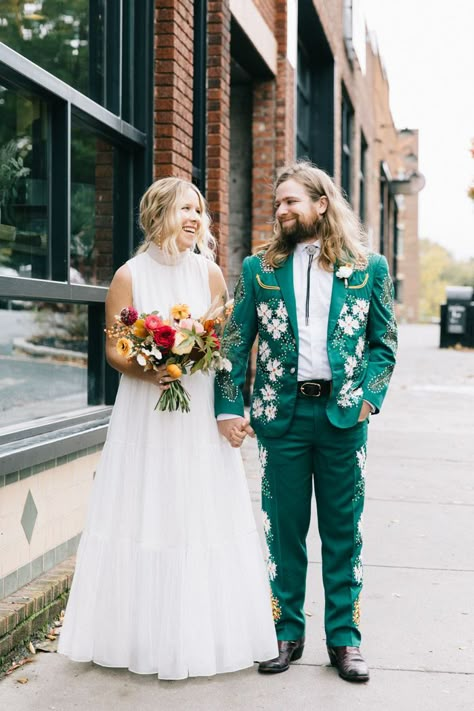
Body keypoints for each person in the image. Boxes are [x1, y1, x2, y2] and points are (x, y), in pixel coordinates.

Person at [58, 177, 278, 680]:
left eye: (199, 209)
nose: (196, 217)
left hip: (197, 410)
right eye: (185, 207)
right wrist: (149, 365)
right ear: (159, 213)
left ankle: (203, 636)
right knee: (146, 509)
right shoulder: (128, 277)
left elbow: (227, 351)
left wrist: (228, 409)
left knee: (199, 511)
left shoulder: (212, 275)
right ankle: (138, 637)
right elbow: (115, 348)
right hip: (145, 410)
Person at [215, 161, 397, 682]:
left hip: (344, 418)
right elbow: (233, 344)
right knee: (284, 533)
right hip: (282, 418)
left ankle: (345, 641)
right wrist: (229, 407)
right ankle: (284, 633)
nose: (282, 210)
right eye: (278, 203)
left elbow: (384, 343)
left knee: (344, 534)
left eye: (292, 201)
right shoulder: (259, 269)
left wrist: (369, 399)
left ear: (321, 203)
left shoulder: (369, 268)